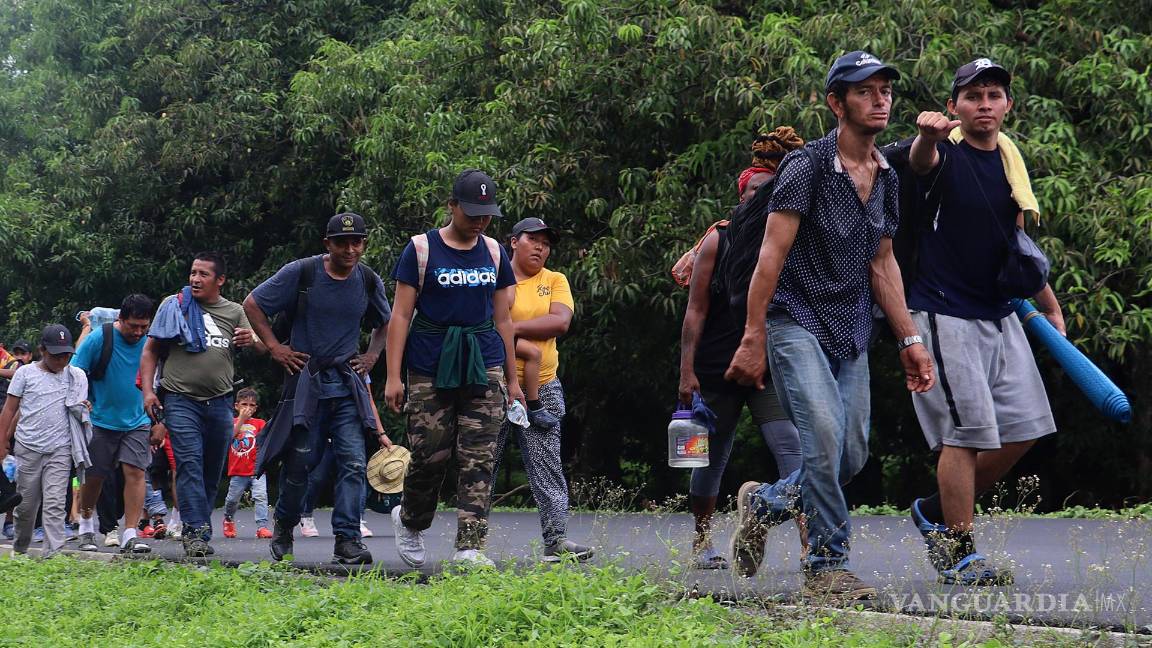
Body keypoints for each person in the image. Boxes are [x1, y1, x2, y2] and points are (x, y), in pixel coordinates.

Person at [725, 51, 936, 601]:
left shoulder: (887, 176)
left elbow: (882, 261)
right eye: (865, 92)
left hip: (851, 326)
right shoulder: (808, 166)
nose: (880, 100)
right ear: (836, 103)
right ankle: (826, 567)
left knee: (852, 453)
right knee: (822, 439)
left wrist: (909, 339)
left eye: (885, 90)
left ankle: (765, 503)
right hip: (794, 317)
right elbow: (770, 256)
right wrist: (753, 336)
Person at [904, 58, 1060, 586]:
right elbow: (920, 165)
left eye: (994, 95)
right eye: (973, 96)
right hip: (944, 310)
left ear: (1007, 106)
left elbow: (1014, 242)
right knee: (965, 435)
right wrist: (927, 137)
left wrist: (1049, 304)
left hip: (1000, 311)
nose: (985, 105)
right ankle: (960, 550)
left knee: (1026, 429)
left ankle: (934, 510)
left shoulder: (1011, 160)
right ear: (955, 107)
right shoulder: (943, 153)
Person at [677, 128, 806, 570]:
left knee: (792, 451)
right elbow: (694, 311)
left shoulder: (791, 239)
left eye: (767, 191)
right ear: (740, 193)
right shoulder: (718, 239)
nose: (758, 196)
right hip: (715, 368)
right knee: (708, 455)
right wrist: (686, 373)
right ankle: (701, 541)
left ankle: (813, 547)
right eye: (752, 190)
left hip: (769, 365)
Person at [385, 169, 524, 568]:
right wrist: (394, 376)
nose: (479, 221)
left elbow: (504, 321)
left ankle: (470, 546)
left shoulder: (495, 252)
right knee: (430, 454)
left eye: (486, 214)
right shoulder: (421, 249)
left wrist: (513, 380)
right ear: (452, 207)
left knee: (478, 456)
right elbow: (400, 316)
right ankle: (410, 520)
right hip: (430, 364)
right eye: (472, 212)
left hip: (485, 363)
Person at [245, 212, 391, 566]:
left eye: (356, 242)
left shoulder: (368, 280)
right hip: (306, 384)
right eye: (342, 242)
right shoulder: (303, 272)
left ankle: (348, 540)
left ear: (364, 244)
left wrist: (372, 356)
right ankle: (284, 527)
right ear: (328, 244)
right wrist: (276, 348)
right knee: (300, 464)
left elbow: (386, 321)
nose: (350, 249)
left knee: (353, 462)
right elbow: (253, 304)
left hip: (345, 385)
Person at [140, 252, 264, 557]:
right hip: (181, 401)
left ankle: (199, 529)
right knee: (189, 465)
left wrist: (251, 339)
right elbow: (150, 351)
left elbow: (261, 345)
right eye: (193, 273)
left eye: (203, 274)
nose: (195, 279)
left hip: (221, 403)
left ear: (220, 280)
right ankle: (195, 532)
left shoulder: (234, 311)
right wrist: (147, 393)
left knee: (211, 471)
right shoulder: (174, 305)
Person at [491, 217, 593, 562]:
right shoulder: (496, 277)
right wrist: (507, 331)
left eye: (546, 243)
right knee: (482, 464)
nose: (540, 247)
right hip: (496, 383)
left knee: (547, 464)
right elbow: (487, 326)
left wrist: (511, 326)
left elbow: (560, 322)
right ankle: (471, 543)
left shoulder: (555, 280)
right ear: (513, 242)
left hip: (543, 385)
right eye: (532, 239)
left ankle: (556, 540)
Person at [71, 294, 159, 554]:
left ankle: (130, 533)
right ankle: (86, 525)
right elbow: (76, 372)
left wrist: (159, 422)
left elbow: (162, 379)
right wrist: (83, 401)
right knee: (95, 476)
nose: (138, 332)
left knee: (136, 473)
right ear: (121, 318)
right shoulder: (100, 337)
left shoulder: (152, 342)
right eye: (133, 325)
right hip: (100, 420)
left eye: (144, 326)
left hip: (138, 419)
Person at [0, 325, 87, 557]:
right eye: (56, 355)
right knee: (26, 507)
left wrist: (85, 409)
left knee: (55, 504)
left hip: (60, 448)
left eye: (66, 356)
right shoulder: (25, 374)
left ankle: (53, 556)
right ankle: (19, 549)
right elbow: (9, 411)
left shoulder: (77, 376)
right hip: (28, 447)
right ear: (42, 350)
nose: (61, 361)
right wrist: (2, 441)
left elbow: (78, 410)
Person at [222, 387, 271, 539]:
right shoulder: (231, 421)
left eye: (251, 405)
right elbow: (229, 437)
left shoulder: (260, 423)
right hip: (238, 470)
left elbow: (266, 442)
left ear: (256, 408)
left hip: (257, 470)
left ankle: (262, 527)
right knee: (232, 499)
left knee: (261, 496)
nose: (247, 408)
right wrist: (242, 420)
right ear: (236, 406)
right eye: (244, 404)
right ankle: (228, 519)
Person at [1, 339, 31, 540]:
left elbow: (18, 373)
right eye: (17, 352)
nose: (20, 356)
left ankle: (10, 522)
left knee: (13, 476)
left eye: (24, 353)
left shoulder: (11, 363)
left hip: (10, 426)